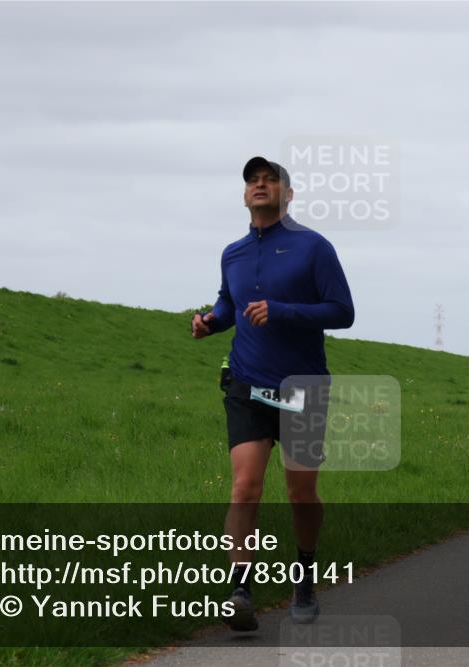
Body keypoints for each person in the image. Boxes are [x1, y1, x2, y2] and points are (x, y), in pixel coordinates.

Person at [191, 156, 354, 630]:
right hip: (246, 383)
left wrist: (282, 311)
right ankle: (239, 590)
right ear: (245, 195)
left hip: (302, 386)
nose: (260, 186)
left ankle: (304, 576)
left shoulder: (313, 247)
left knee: (301, 492)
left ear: (289, 193)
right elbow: (229, 301)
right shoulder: (233, 252)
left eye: (270, 180)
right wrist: (211, 322)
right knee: (245, 486)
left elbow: (342, 311)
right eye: (252, 181)